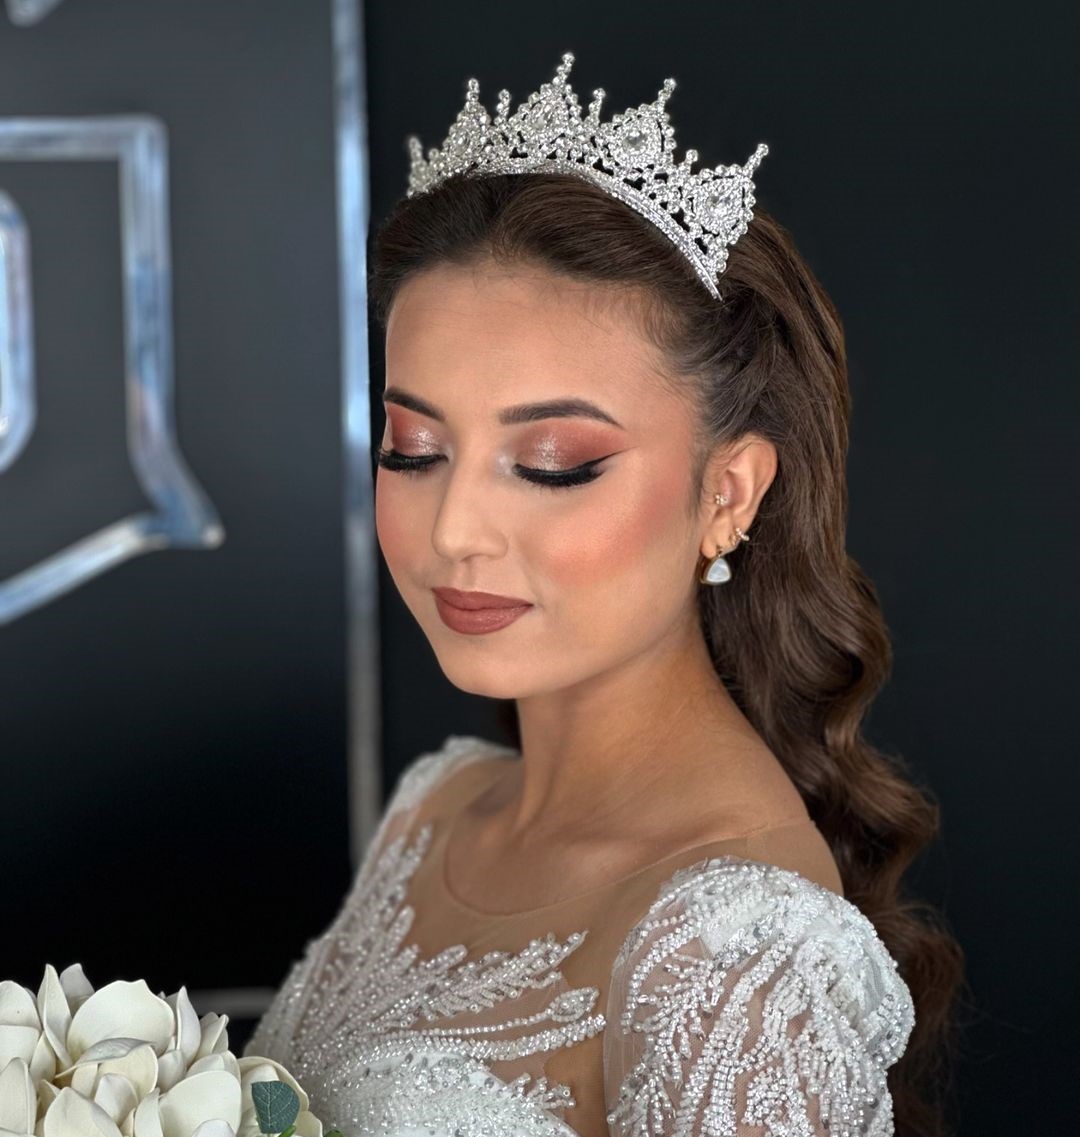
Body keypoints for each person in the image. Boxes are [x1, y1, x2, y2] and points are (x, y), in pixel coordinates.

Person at [244, 53, 963, 1137]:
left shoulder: (742, 964)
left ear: (727, 492)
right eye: (414, 448)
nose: (455, 530)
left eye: (554, 464)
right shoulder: (434, 810)